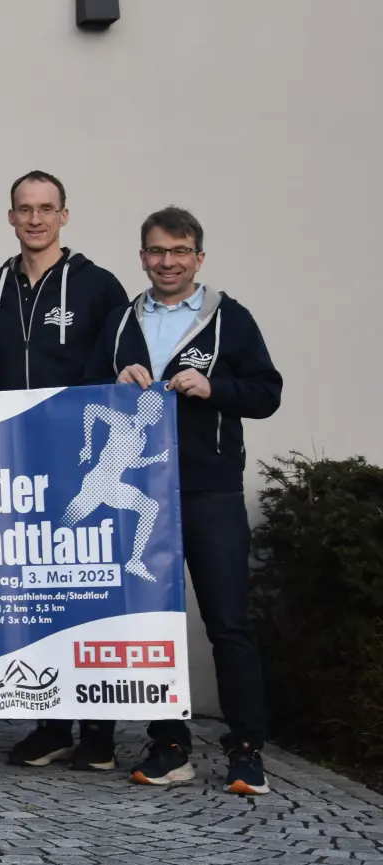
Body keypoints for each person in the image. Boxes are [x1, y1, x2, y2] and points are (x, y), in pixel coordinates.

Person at [86, 206, 282, 795]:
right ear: (142, 256)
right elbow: (89, 391)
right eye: (155, 251)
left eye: (179, 251)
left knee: (228, 623)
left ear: (199, 256)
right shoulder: (123, 319)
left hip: (209, 489)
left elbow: (267, 393)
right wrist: (114, 379)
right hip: (142, 492)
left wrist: (214, 386)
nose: (166, 262)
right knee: (154, 623)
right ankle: (169, 745)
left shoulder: (231, 319)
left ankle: (247, 751)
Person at [0, 170, 130, 772]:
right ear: (10, 217)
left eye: (46, 208)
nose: (35, 219)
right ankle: (52, 725)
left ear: (64, 215)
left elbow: (121, 370)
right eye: (24, 209)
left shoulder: (98, 286)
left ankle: (98, 731)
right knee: (39, 591)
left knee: (89, 591)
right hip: (22, 465)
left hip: (84, 467)